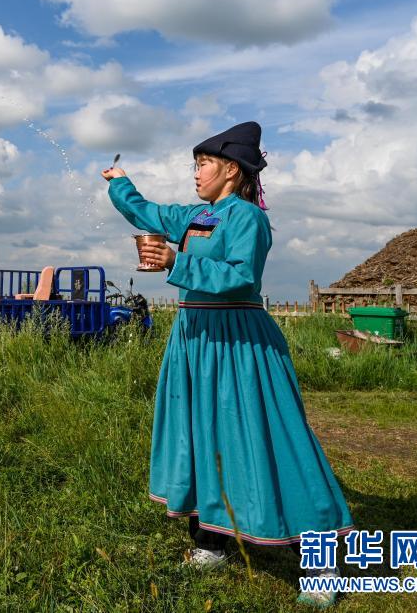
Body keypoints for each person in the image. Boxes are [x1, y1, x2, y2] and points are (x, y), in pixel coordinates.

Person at [100, 121, 353, 608]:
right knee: (202, 438)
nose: (196, 173)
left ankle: (321, 562)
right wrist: (121, 183)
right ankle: (212, 541)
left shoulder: (248, 219)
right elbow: (147, 212)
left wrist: (175, 263)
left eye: (203, 164)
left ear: (232, 170)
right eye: (195, 165)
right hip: (195, 341)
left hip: (239, 341)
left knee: (273, 440)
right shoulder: (197, 216)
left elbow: (241, 277)